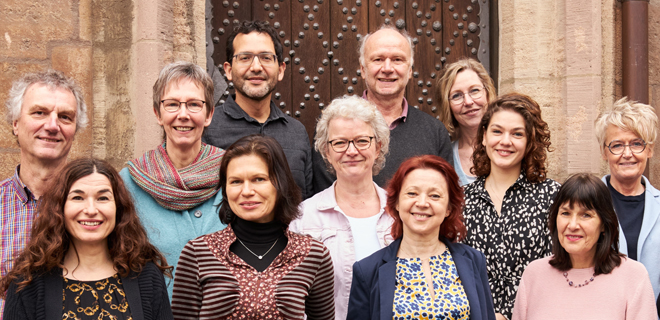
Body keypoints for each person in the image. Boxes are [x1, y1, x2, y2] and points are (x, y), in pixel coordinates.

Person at [171, 135, 335, 319]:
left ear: (280, 184)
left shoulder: (313, 254)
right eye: (236, 181)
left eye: (258, 179)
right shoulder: (198, 253)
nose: (247, 191)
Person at [0, 158, 173, 320]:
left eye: (102, 198)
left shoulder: (147, 277)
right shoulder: (28, 282)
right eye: (78, 197)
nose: (91, 209)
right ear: (60, 208)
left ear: (118, 208)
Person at [119, 61, 226, 297]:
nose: (183, 114)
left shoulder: (234, 175)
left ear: (209, 114)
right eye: (172, 105)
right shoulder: (127, 183)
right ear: (158, 113)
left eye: (194, 105)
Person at [347, 155, 496, 320]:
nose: (423, 203)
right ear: (396, 202)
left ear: (449, 208)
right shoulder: (367, 271)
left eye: (435, 196)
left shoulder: (473, 260)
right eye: (412, 193)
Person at [312, 25, 454, 191]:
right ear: (363, 69)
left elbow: (445, 195)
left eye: (397, 60)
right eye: (378, 59)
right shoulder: (335, 128)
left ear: (410, 71)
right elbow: (327, 195)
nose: (387, 68)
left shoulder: (434, 132)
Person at [290, 95, 393, 319]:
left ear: (378, 147)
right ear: (326, 151)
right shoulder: (304, 218)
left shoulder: (400, 213)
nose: (352, 151)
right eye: (340, 142)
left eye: (362, 140)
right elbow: (293, 298)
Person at [462, 93, 560, 320]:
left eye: (517, 134)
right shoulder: (460, 201)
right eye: (497, 131)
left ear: (529, 142)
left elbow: (565, 266)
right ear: (484, 136)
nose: (505, 141)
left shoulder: (553, 196)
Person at [0, 69, 88, 315]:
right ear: (16, 124)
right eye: (39, 112)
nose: (52, 125)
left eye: (65, 117)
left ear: (75, 130)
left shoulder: (97, 211)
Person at [511, 173, 657, 319]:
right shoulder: (534, 275)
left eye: (586, 215)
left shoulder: (633, 277)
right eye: (565, 213)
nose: (572, 225)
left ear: (604, 225)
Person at [203, 20, 313, 199]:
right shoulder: (207, 128)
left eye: (266, 58)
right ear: (229, 70)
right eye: (245, 58)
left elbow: (306, 206)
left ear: (281, 70)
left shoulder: (297, 132)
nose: (255, 67)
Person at [595, 97, 660, 302]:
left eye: (636, 144)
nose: (627, 153)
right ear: (604, 152)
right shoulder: (587, 204)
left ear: (649, 150)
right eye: (617, 145)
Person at [437, 58, 497, 186]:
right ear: (448, 106)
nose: (468, 102)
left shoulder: (506, 147)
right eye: (456, 95)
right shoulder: (445, 156)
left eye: (474, 90)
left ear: (487, 93)